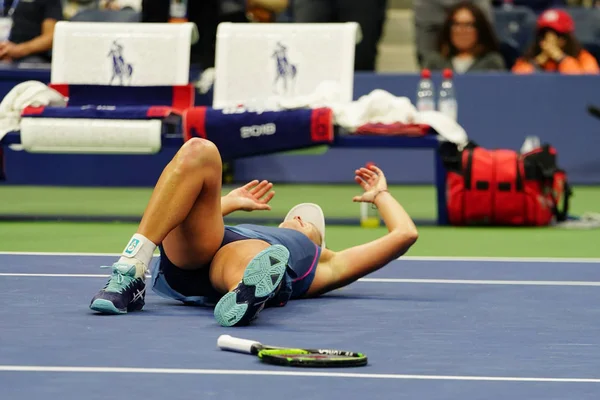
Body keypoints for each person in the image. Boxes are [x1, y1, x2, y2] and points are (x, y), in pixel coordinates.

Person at [89, 138, 418, 326]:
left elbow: (404, 234)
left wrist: (380, 196)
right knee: (199, 151)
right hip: (198, 254)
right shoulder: (249, 229)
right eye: (294, 218)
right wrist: (227, 202)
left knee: (256, 255)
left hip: (234, 262)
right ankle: (131, 270)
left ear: (320, 242)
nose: (301, 220)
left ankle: (246, 293)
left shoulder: (324, 264)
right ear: (281, 225)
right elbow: (180, 214)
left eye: (311, 225)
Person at [422, 1, 506, 73]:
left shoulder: (492, 62)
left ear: (479, 29)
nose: (462, 30)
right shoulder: (435, 62)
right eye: (457, 24)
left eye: (468, 25)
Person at [512, 9, 600, 74]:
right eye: (543, 36)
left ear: (565, 39)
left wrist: (560, 58)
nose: (547, 42)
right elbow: (517, 82)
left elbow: (585, 84)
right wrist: (537, 62)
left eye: (556, 36)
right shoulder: (529, 58)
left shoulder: (583, 58)